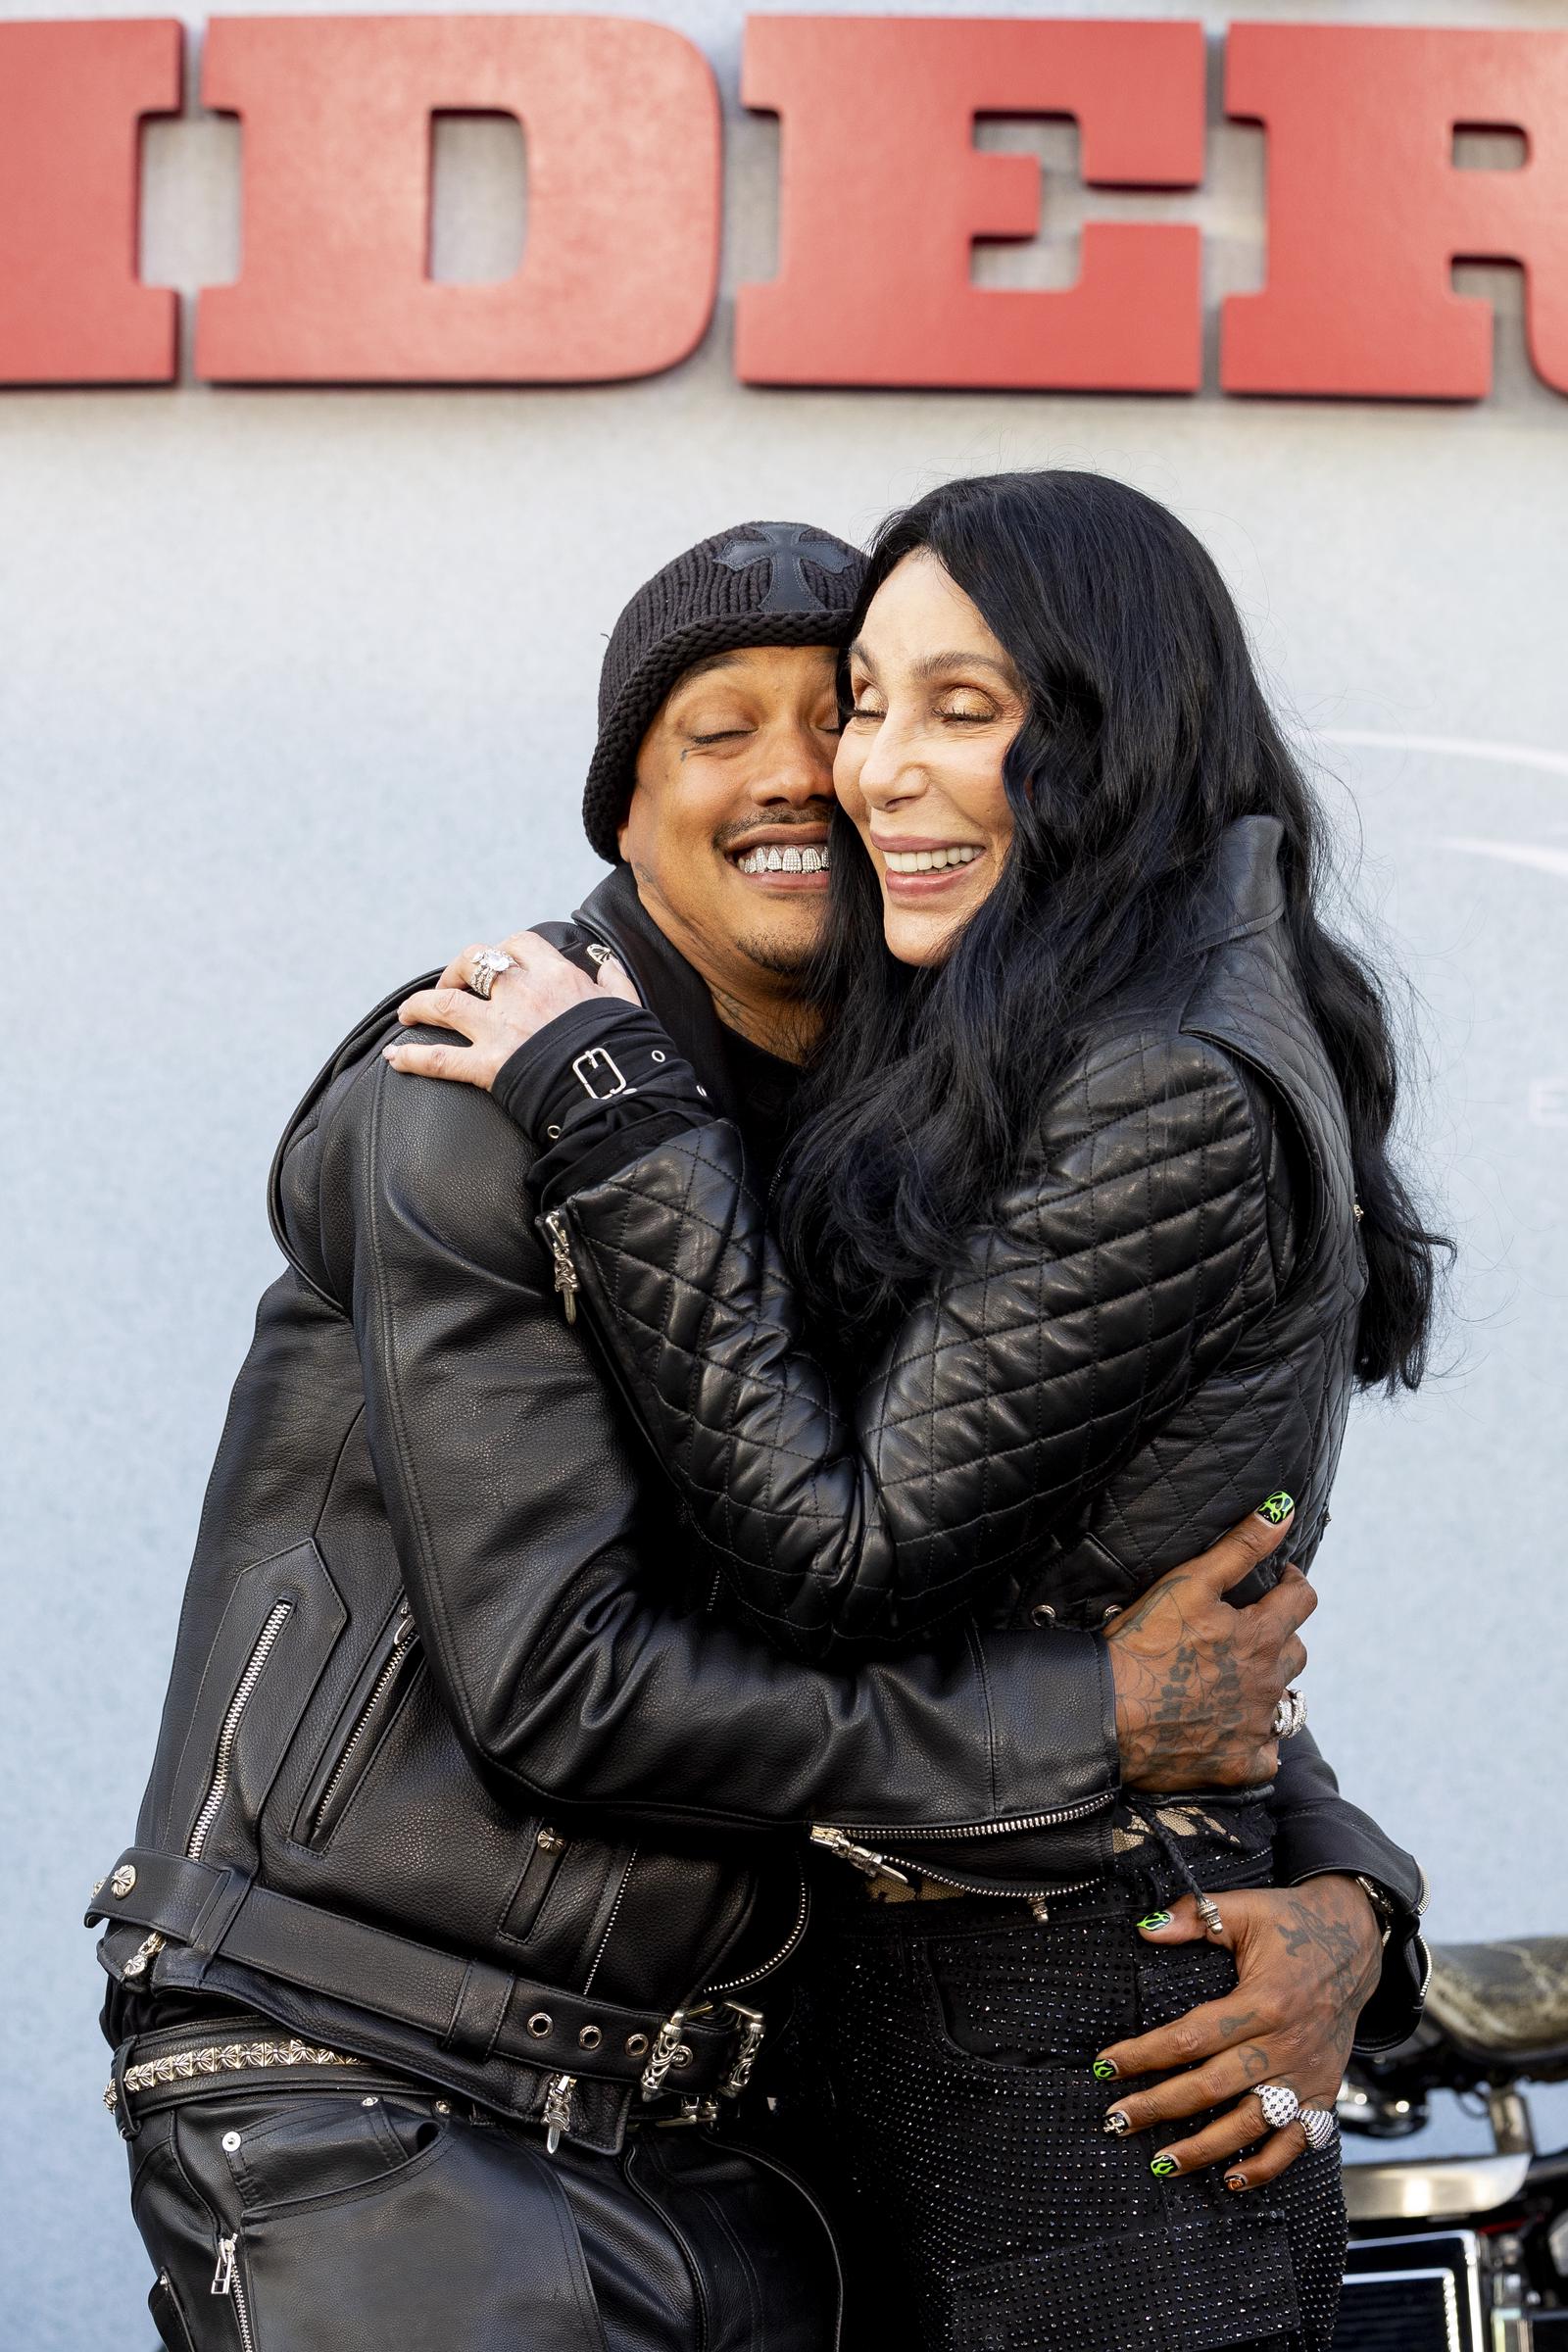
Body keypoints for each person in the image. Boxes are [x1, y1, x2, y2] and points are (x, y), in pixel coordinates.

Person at [93, 516, 1422, 2352]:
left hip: (741, 2130)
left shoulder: (894, 1138)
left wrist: (1343, 1882)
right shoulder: (484, 1098)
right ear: (620, 810)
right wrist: (1092, 1722)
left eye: (855, 712)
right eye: (726, 730)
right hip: (376, 2073)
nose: (818, 770)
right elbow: (567, 1687)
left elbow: (1085, 1574)